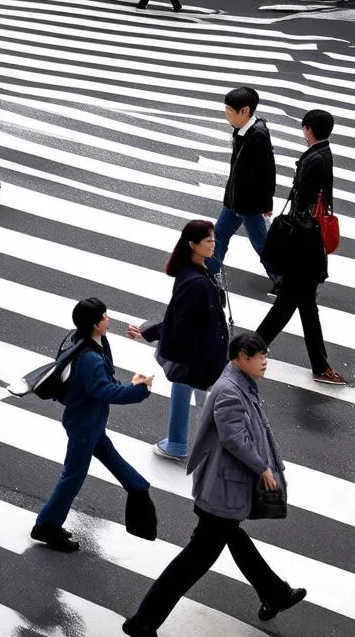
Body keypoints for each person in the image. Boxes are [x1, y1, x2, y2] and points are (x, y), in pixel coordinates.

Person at [122, 333, 306, 637]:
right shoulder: (231, 392)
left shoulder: (241, 381)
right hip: (222, 489)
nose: (265, 361)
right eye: (259, 355)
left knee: (231, 537)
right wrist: (263, 468)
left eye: (266, 354)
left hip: (224, 488)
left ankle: (274, 592)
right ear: (240, 358)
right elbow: (235, 437)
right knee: (194, 561)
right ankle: (143, 622)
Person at [32, 298, 153, 552]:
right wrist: (139, 389)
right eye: (105, 316)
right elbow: (105, 390)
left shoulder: (81, 340)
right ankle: (46, 525)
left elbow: (103, 380)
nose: (109, 319)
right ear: (96, 324)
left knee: (109, 459)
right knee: (73, 476)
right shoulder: (90, 359)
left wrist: (131, 384)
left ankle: (138, 487)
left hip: (89, 421)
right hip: (84, 424)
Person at [256, 109, 346, 384]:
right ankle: (319, 365)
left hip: (303, 245)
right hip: (309, 245)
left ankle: (250, 349)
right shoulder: (322, 154)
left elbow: (302, 201)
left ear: (308, 129)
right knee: (304, 305)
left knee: (289, 304)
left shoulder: (315, 159)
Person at [126, 220, 229, 461]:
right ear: (193, 244)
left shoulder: (193, 274)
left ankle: (181, 444)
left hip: (200, 353)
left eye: (214, 239)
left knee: (205, 399)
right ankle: (182, 444)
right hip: (203, 352)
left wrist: (150, 334)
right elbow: (180, 320)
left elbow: (178, 318)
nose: (214, 244)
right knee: (207, 399)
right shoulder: (197, 281)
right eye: (208, 241)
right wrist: (151, 334)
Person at [204, 86, 276, 280]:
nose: (226, 115)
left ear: (245, 111)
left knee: (261, 243)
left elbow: (268, 170)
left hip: (249, 203)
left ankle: (284, 280)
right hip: (235, 199)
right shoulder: (241, 130)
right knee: (219, 234)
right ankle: (210, 272)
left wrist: (267, 202)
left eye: (229, 110)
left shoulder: (258, 135)